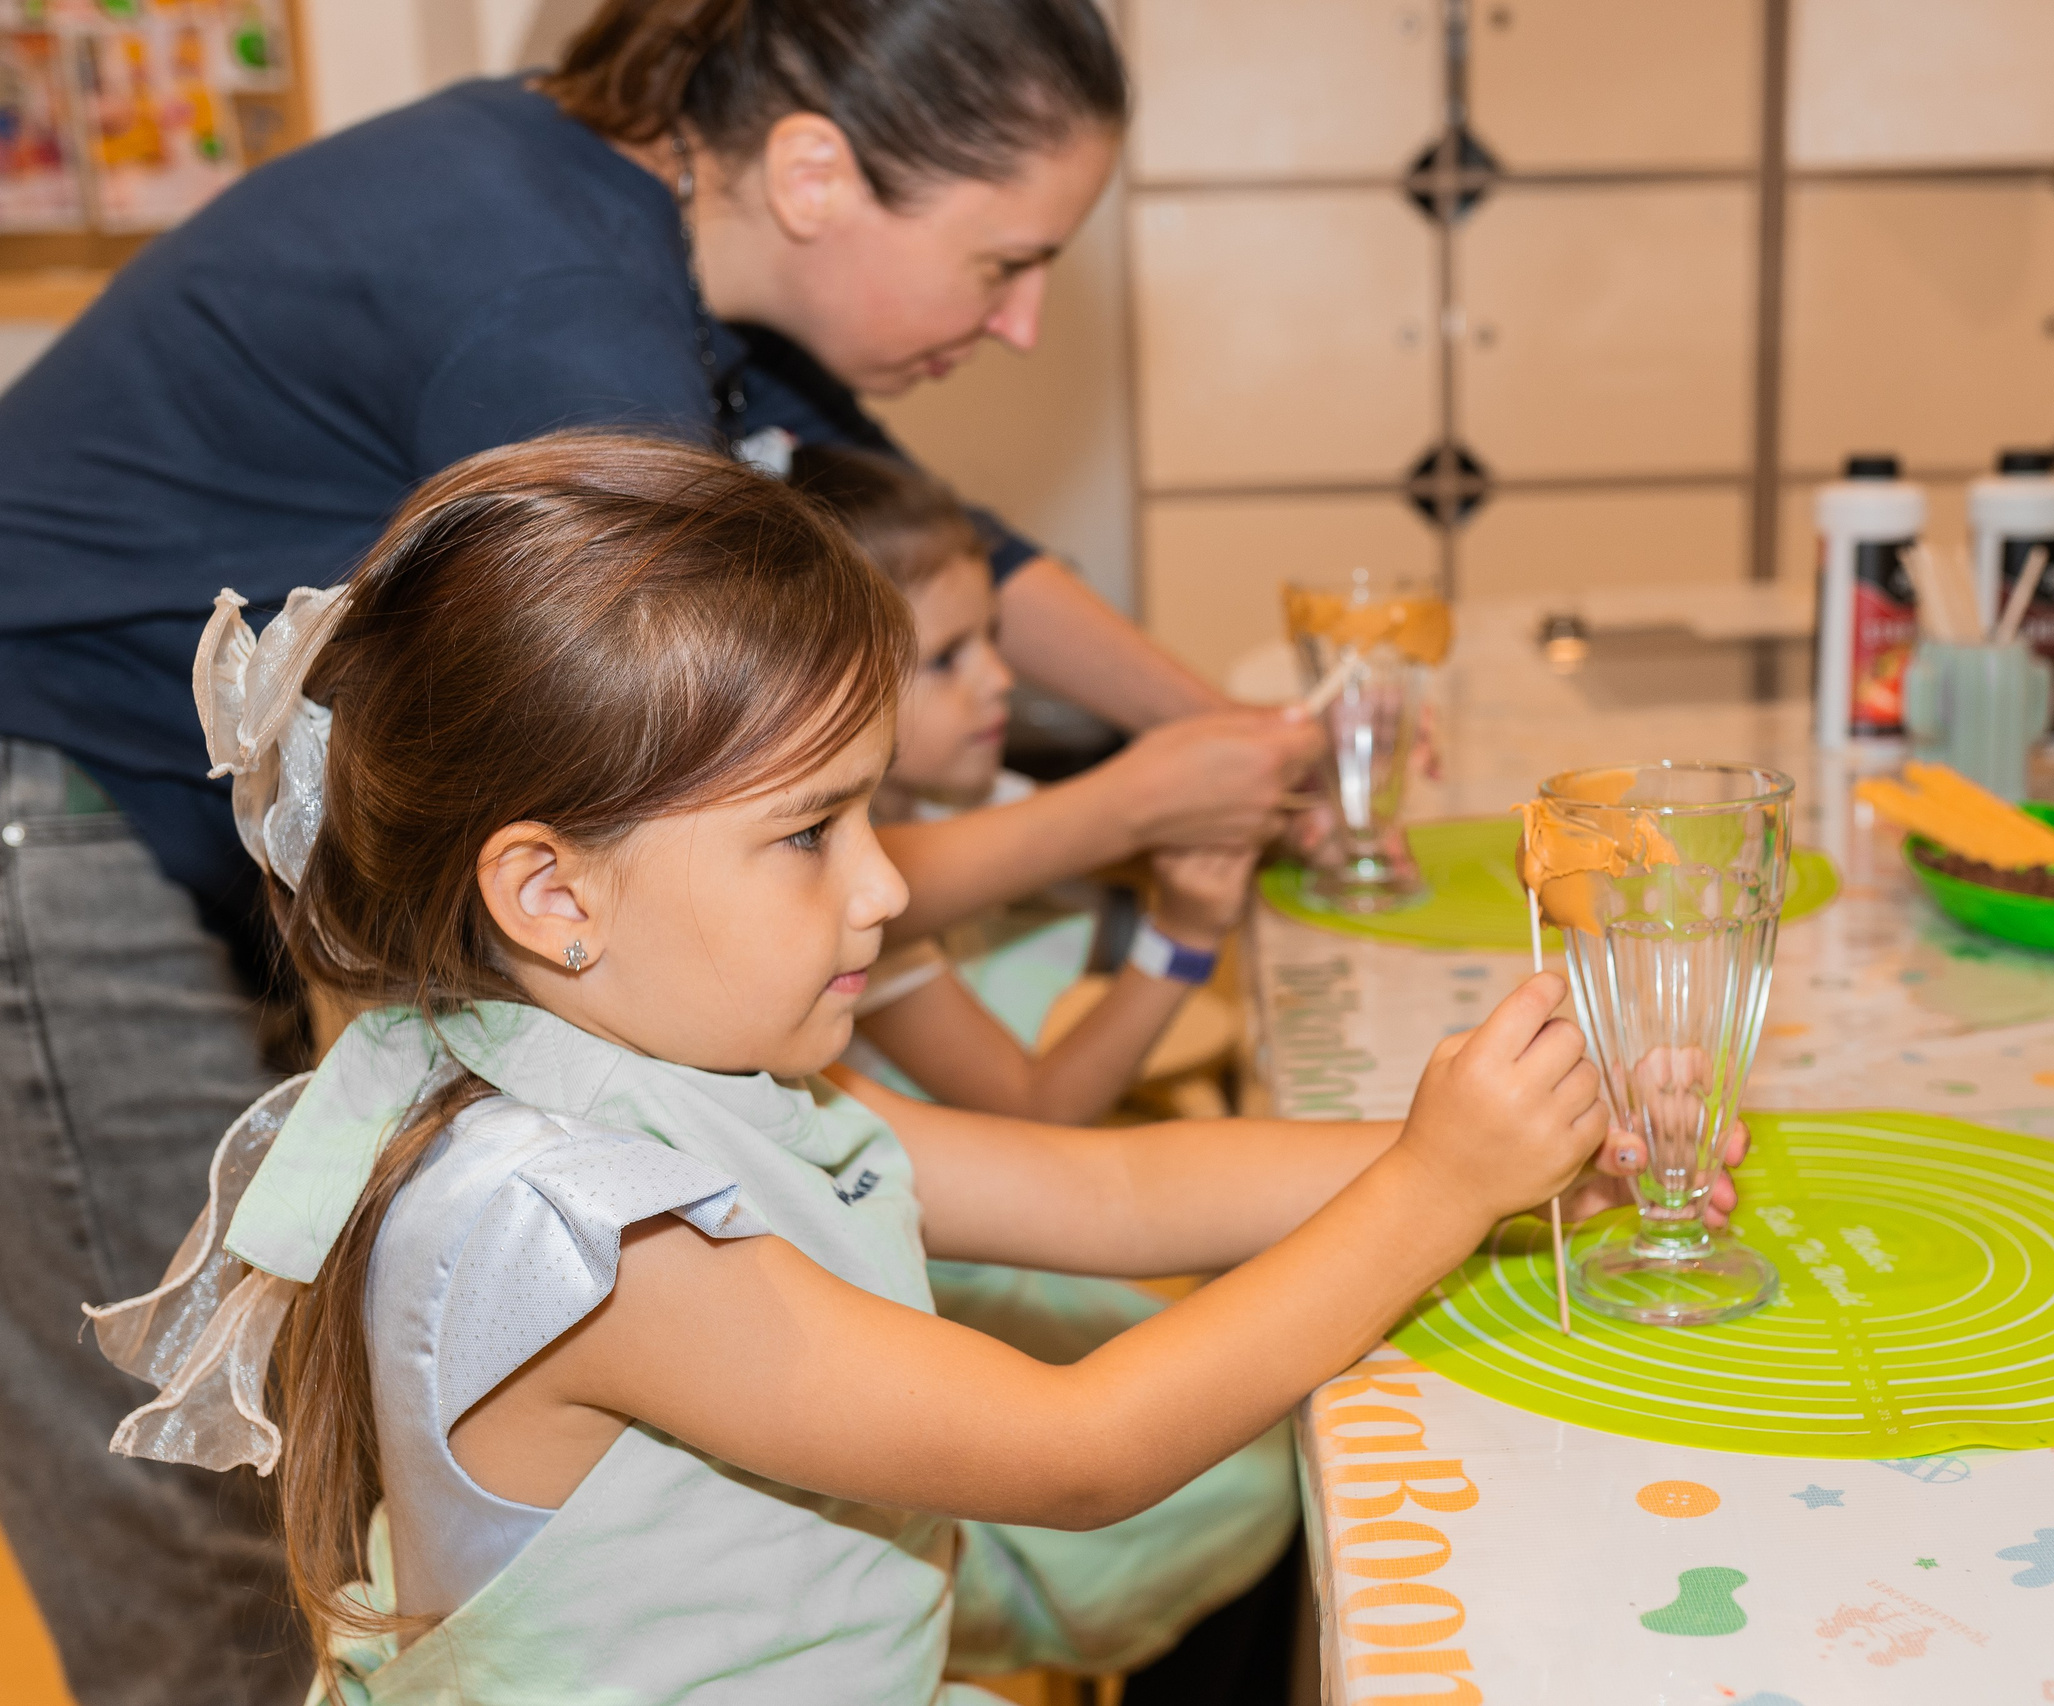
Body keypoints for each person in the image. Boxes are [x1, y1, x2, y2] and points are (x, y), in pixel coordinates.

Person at [0, 4, 1312, 1695]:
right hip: (44, 808)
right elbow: (723, 775)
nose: (1022, 318)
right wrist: (1132, 805)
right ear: (818, 171)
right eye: (1002, 263)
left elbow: (958, 552)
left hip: (181, 831)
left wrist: (1238, 744)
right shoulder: (563, 318)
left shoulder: (650, 232)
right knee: (195, 1518)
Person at [88, 435, 1629, 1702]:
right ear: (553, 894)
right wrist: (1437, 1187)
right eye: (812, 832)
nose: (885, 889)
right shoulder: (563, 1228)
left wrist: (1521, 1150)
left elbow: (1109, 1186)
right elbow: (1076, 1450)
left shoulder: (694, 1075)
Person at [793, 446, 1254, 1122]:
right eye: (948, 657)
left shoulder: (965, 803)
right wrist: (1183, 937)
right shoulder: (851, 903)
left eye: (993, 638)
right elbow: (1037, 1109)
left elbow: (1140, 838)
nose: (1001, 678)